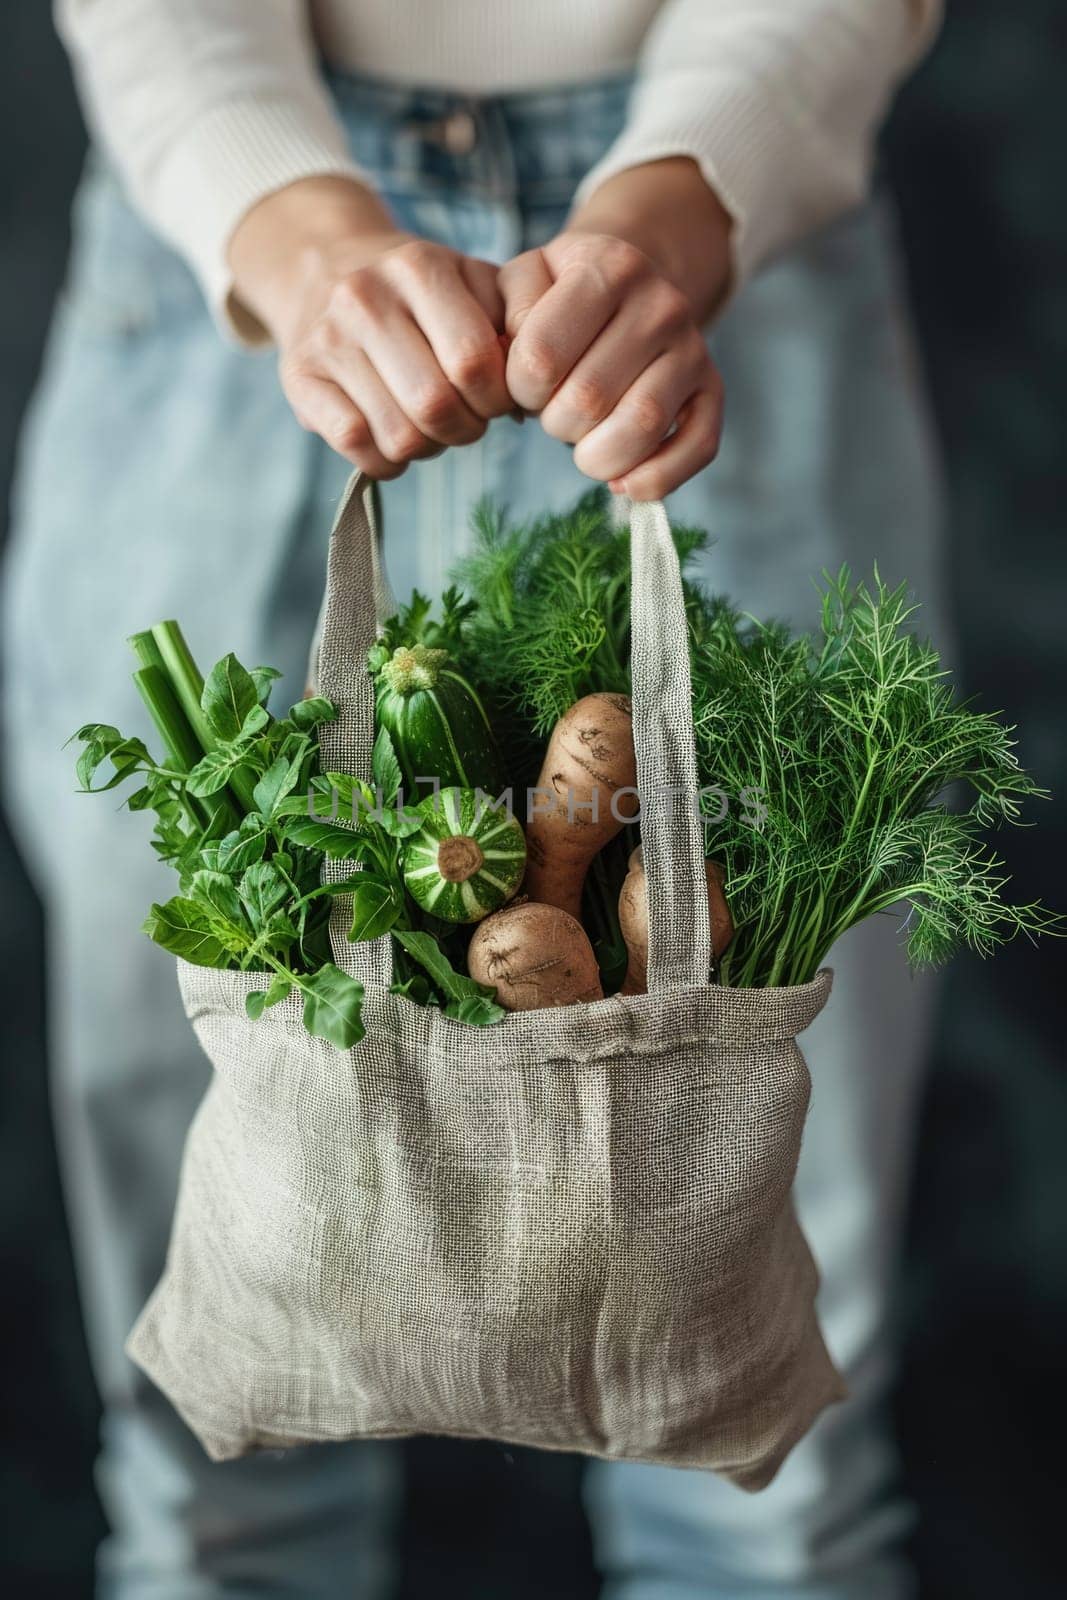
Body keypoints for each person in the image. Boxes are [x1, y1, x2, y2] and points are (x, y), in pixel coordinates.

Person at [3, 3, 949, 1595]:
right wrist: (293, 230)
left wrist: (677, 202)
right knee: (217, 1444)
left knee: (766, 1486)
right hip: (231, 266)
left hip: (724, 261)